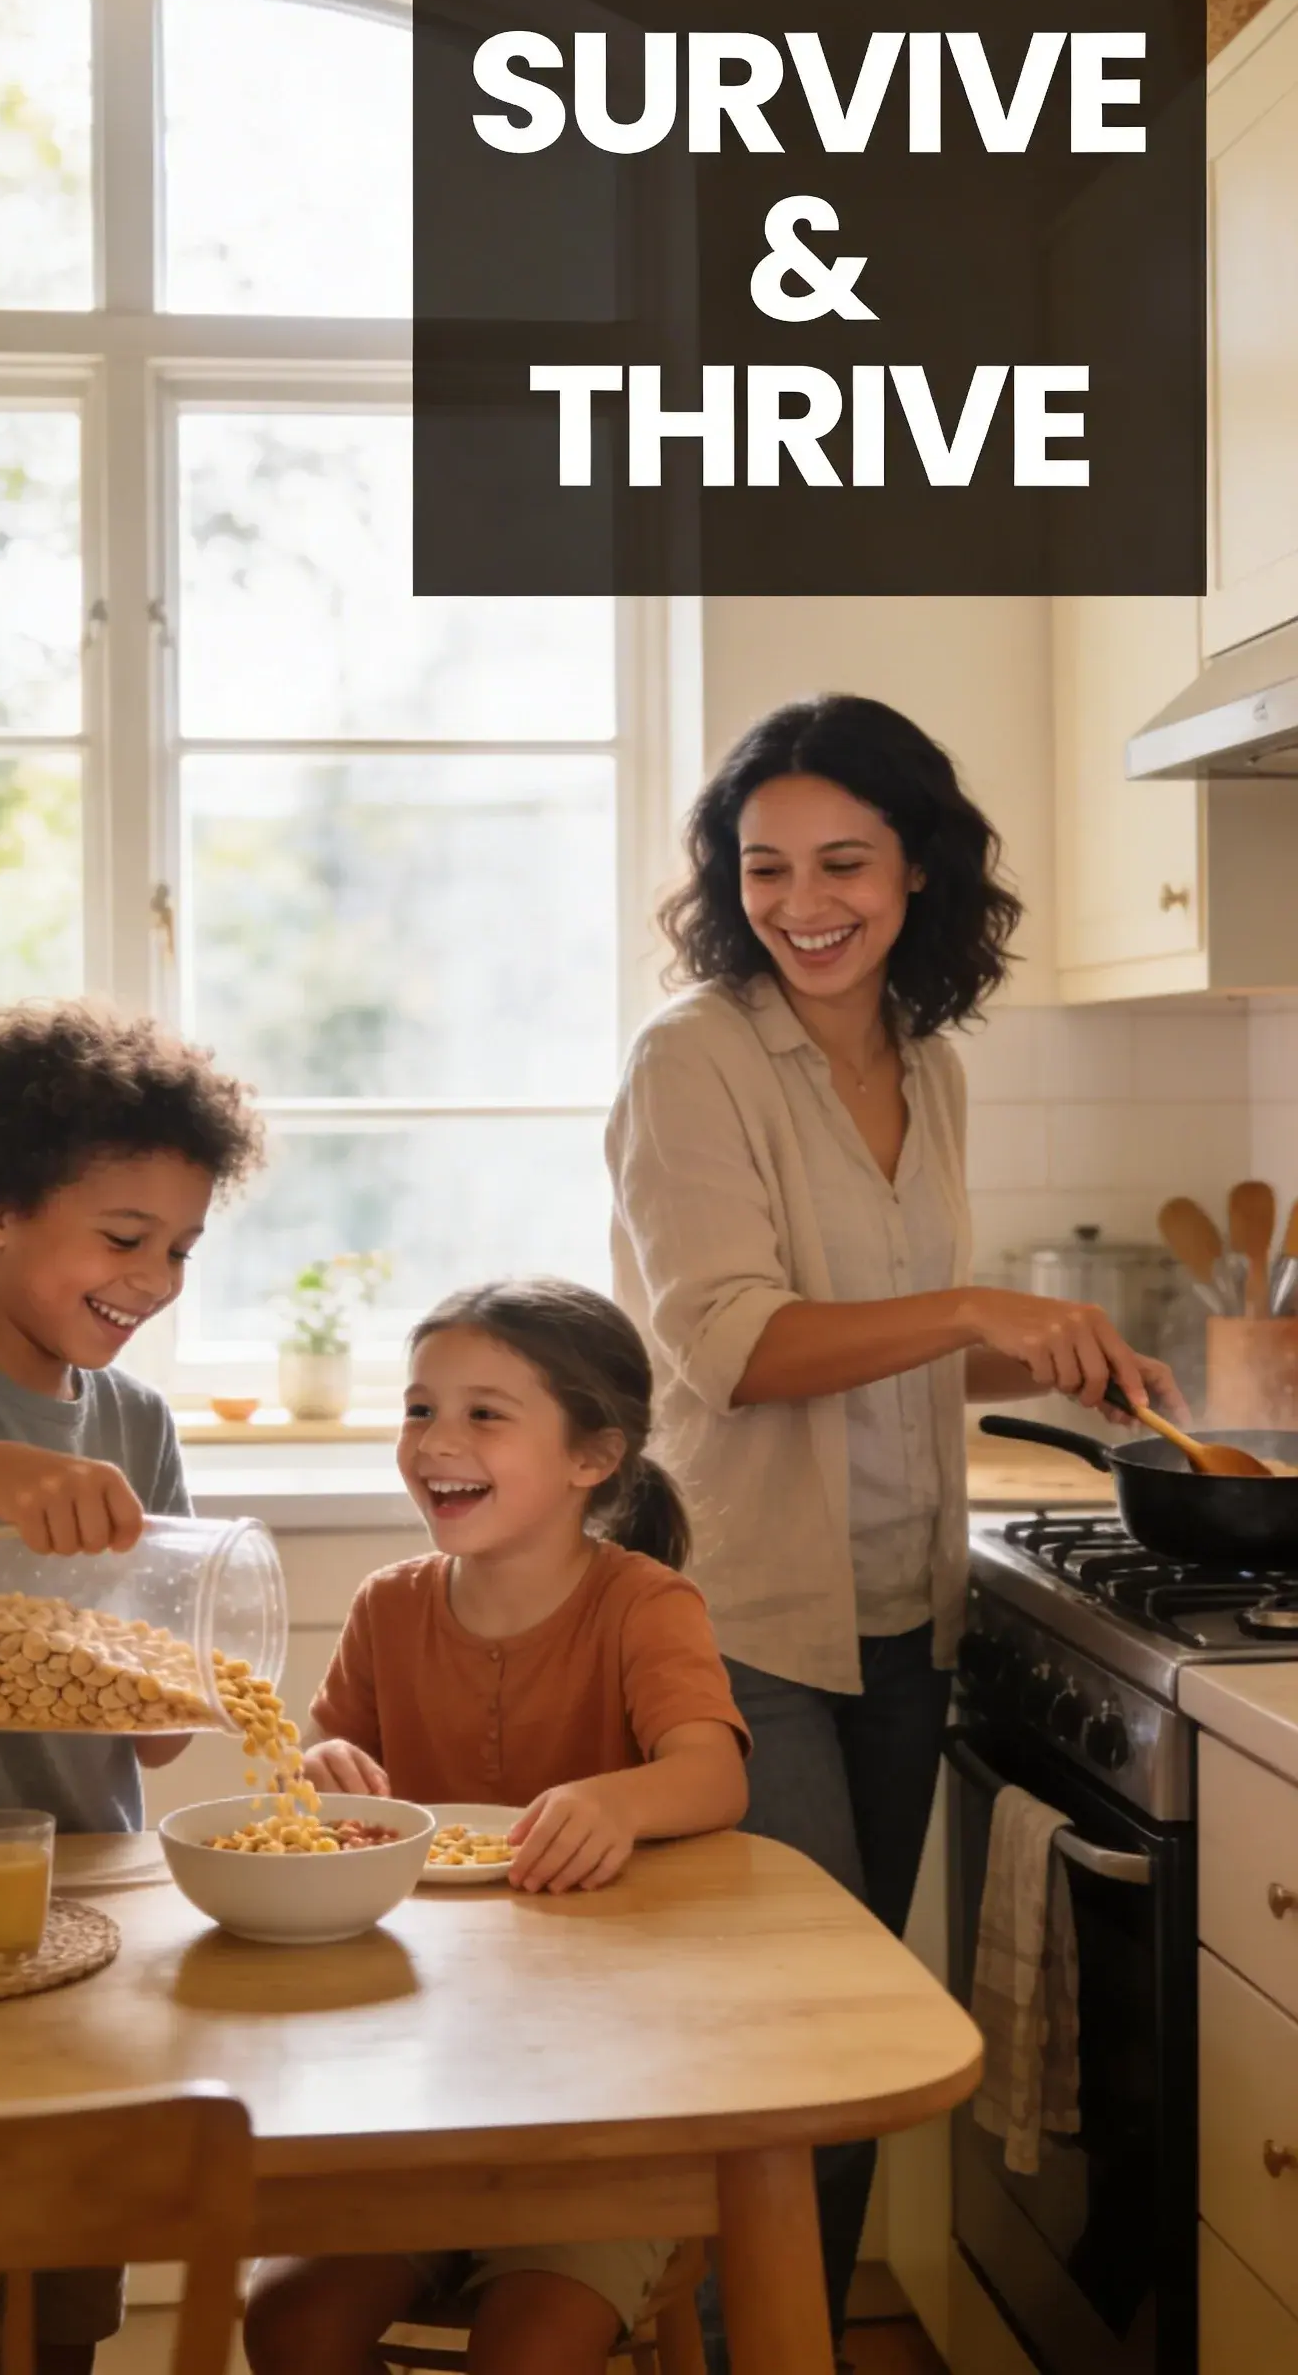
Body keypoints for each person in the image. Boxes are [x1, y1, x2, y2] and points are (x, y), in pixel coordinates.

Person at [604, 694, 1185, 2364]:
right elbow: (733, 1342)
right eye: (765, 865)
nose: (803, 901)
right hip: (744, 1622)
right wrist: (974, 1307)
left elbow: (900, 1325)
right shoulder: (692, 1059)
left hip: (899, 1613)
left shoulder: (922, 1066)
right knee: (800, 2058)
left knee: (836, 2057)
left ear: (918, 870)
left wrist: (1066, 1355)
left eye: (843, 861)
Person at [0, 1001, 263, 2375]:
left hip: (89, 1890)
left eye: (183, 1250)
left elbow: (150, 1728)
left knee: (66, 2279)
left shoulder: (138, 1424)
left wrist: (182, 1687)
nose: (154, 1278)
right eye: (124, 1237)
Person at [244, 1277, 750, 2375]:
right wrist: (317, 1775)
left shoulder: (644, 1605)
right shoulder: (389, 1605)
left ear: (592, 1456)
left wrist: (616, 1797)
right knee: (289, 2326)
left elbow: (713, 1775)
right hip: (414, 2098)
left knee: (529, 2353)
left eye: (484, 1412)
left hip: (605, 2109)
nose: (436, 1440)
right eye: (421, 1407)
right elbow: (320, 1780)